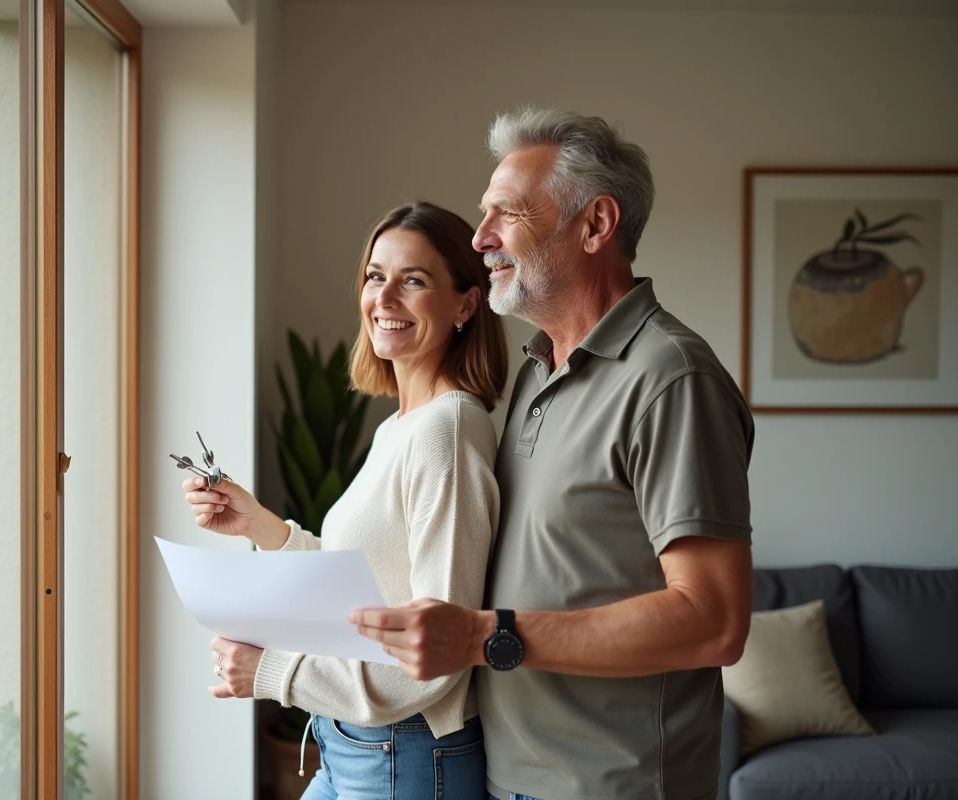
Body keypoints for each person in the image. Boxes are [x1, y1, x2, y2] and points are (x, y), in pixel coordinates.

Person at [353, 109, 756, 800]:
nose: (481, 239)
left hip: (613, 786)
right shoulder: (539, 369)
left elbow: (713, 621)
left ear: (596, 225)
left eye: (505, 214)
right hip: (509, 774)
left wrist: (487, 636)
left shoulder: (670, 378)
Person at [181, 201, 509, 799]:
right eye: (375, 276)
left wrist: (271, 672)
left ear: (467, 302)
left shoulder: (448, 431)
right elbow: (365, 583)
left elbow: (439, 647)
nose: (383, 299)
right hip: (356, 743)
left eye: (413, 280)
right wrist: (260, 526)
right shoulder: (404, 427)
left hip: (403, 753)